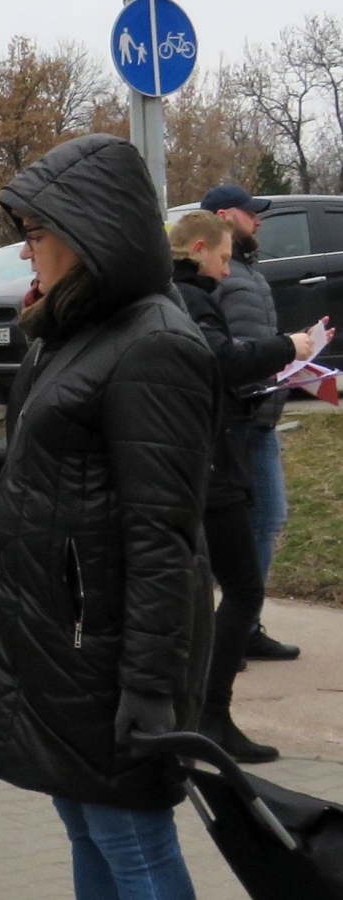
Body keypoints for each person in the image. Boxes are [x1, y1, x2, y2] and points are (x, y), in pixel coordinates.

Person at [0, 134, 220, 900]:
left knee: (132, 842)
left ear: (90, 234)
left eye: (36, 234)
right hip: (61, 641)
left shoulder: (155, 347)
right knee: (88, 825)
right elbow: (32, 455)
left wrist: (149, 686)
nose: (26, 252)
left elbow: (163, 536)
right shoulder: (76, 332)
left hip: (106, 651)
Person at [169, 211, 331, 763]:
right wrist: (289, 348)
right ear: (198, 248)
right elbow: (220, 360)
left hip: (204, 455)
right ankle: (211, 716)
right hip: (208, 464)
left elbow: (207, 373)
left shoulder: (175, 295)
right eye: (222, 257)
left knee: (203, 590)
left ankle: (196, 712)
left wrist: (275, 379)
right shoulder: (190, 299)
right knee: (242, 589)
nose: (227, 269)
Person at [200, 184, 302, 662]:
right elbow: (219, 349)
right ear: (225, 216)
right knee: (227, 529)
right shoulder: (215, 276)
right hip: (233, 419)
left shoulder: (250, 272)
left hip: (262, 414)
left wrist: (296, 363)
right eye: (251, 213)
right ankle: (219, 628)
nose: (258, 220)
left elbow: (254, 339)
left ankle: (244, 623)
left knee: (268, 517)